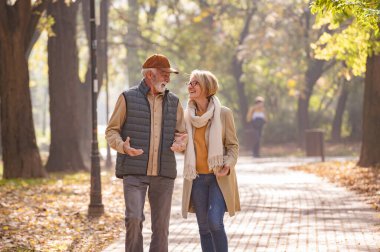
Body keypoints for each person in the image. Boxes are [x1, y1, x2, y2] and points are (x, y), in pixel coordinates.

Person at [105, 54, 187, 252]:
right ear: (150, 75)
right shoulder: (127, 97)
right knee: (133, 219)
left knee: (161, 228)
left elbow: (182, 133)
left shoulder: (174, 102)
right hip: (134, 172)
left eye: (169, 75)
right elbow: (111, 131)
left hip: (164, 174)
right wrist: (123, 147)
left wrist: (180, 143)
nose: (167, 79)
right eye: (164, 74)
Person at [181, 70, 240, 252]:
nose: (190, 86)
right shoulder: (186, 117)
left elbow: (233, 146)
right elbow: (183, 145)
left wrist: (228, 164)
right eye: (189, 83)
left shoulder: (223, 114)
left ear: (207, 87)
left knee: (214, 221)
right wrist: (178, 145)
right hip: (197, 179)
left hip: (218, 178)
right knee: (204, 227)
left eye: (195, 83)